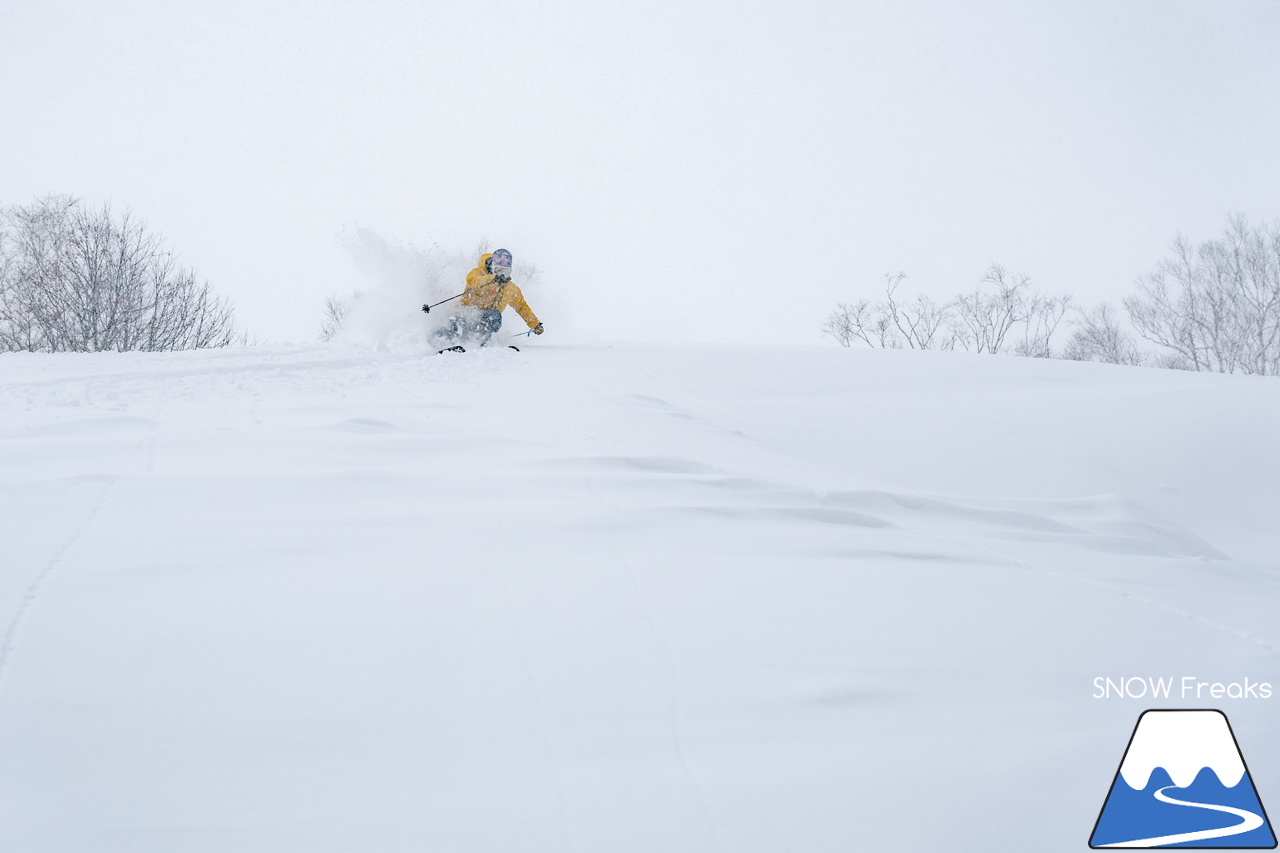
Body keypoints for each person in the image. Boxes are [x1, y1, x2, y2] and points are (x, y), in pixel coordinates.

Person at [431, 248, 543, 351]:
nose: (501, 270)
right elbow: (472, 282)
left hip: (485, 320)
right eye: (498, 264)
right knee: (456, 320)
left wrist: (535, 324)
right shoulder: (478, 273)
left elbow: (522, 306)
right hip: (467, 312)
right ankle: (440, 343)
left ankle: (482, 346)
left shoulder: (510, 288)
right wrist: (493, 279)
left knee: (494, 315)